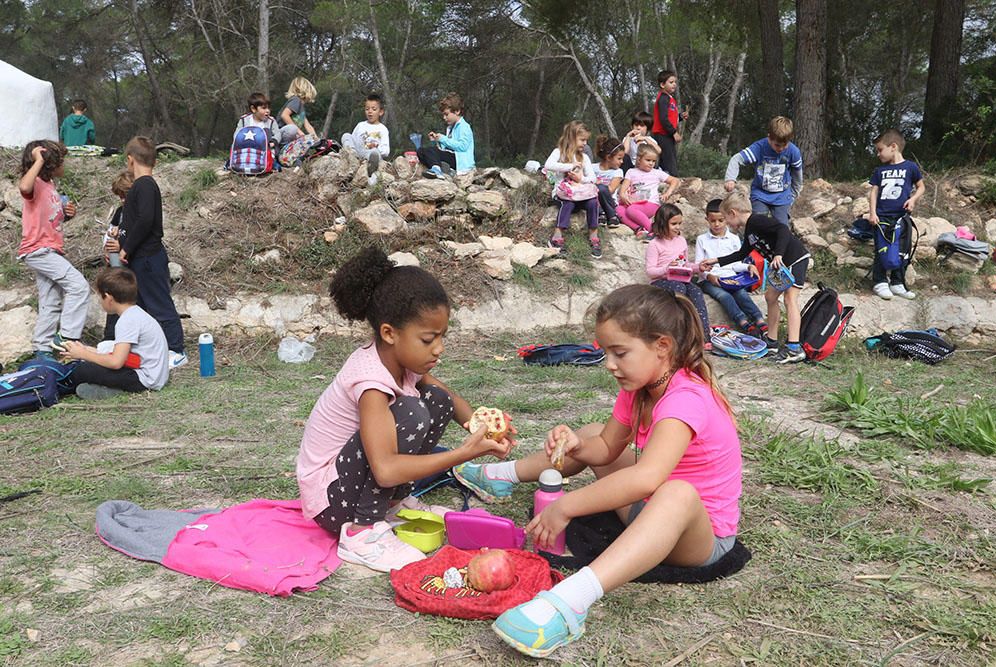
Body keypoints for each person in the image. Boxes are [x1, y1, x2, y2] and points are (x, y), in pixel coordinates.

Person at [452, 284, 741, 658]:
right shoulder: (638, 387)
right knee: (589, 434)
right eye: (606, 352)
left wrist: (566, 506)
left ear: (662, 347)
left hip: (698, 536)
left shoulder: (686, 399)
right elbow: (605, 448)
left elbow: (647, 478)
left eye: (620, 352)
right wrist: (577, 445)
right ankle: (499, 477)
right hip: (650, 509)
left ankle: (570, 601)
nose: (609, 363)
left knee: (677, 492)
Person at [297, 247, 515, 573]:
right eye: (428, 339)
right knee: (413, 414)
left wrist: (481, 426)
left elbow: (450, 400)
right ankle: (362, 533)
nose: (439, 348)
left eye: (442, 336)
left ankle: (391, 506)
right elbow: (384, 470)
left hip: (352, 486)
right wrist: (464, 453)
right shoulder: (370, 381)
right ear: (389, 333)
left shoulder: (402, 360)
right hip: (331, 502)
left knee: (437, 401)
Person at [104, 136, 187, 369]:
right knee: (136, 305)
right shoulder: (140, 187)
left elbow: (146, 220)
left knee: (159, 304)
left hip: (149, 258)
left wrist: (126, 248)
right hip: (139, 260)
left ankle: (176, 349)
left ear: (130, 160)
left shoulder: (145, 185)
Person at [701, 191, 809, 364]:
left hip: (794, 259)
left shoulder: (757, 221)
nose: (726, 223)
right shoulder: (749, 229)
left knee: (790, 299)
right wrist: (716, 261)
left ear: (733, 213)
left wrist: (778, 255)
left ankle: (794, 348)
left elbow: (783, 230)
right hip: (781, 265)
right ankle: (772, 341)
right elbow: (742, 253)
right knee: (770, 296)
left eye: (726, 219)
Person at [17, 140, 90, 356]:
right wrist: (38, 160)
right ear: (50, 163)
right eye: (61, 160)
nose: (64, 164)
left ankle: (42, 349)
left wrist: (66, 214)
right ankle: (66, 337)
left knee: (50, 301)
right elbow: (24, 187)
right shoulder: (35, 182)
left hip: (49, 249)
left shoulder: (49, 186)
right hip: (38, 249)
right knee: (79, 287)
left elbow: (47, 218)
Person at [61, 268, 169, 400]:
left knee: (82, 370)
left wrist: (83, 355)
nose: (100, 300)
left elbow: (116, 362)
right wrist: (87, 350)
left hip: (145, 379)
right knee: (104, 347)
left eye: (100, 296)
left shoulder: (127, 321)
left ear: (109, 298)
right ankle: (105, 388)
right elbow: (122, 354)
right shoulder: (136, 313)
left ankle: (112, 390)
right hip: (152, 374)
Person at [695, 199, 767, 337]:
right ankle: (744, 323)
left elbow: (736, 263)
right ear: (707, 220)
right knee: (724, 296)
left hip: (731, 278)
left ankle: (759, 320)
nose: (717, 224)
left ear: (727, 218)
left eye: (721, 220)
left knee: (741, 294)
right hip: (710, 280)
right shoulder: (702, 239)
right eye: (713, 221)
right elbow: (699, 265)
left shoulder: (733, 238)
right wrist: (709, 276)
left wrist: (748, 266)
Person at [868, 129, 924, 300]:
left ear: (893, 147)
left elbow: (921, 187)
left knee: (902, 251)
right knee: (881, 249)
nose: (878, 154)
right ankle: (879, 282)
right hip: (882, 218)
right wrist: (872, 213)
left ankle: (897, 283)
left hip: (902, 217)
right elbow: (873, 193)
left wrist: (913, 199)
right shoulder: (879, 171)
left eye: (880, 149)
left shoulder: (911, 167)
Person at [645, 204, 711, 342]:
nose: (678, 227)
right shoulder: (655, 244)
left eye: (679, 223)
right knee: (679, 289)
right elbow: (650, 271)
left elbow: (685, 264)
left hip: (681, 279)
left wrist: (699, 267)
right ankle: (680, 333)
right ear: (662, 223)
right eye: (674, 224)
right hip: (661, 281)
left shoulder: (681, 241)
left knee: (696, 291)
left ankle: (704, 337)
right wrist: (667, 268)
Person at [723, 116, 803, 227]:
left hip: (782, 196)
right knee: (757, 223)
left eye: (785, 145)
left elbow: (797, 174)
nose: (781, 149)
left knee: (782, 228)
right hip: (760, 194)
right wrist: (730, 178)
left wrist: (794, 193)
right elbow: (736, 159)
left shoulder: (793, 151)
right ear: (769, 138)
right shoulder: (760, 147)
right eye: (777, 145)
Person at [544, 120, 602, 258]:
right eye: (582, 140)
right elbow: (548, 165)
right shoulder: (559, 152)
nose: (585, 143)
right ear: (571, 137)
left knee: (593, 202)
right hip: (563, 193)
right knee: (567, 203)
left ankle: (594, 235)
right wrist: (570, 166)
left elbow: (593, 178)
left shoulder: (585, 158)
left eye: (586, 140)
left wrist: (580, 179)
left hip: (581, 194)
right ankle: (557, 236)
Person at [615, 144, 679, 238]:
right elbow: (623, 190)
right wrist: (623, 195)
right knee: (618, 209)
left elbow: (675, 180)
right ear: (639, 159)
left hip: (651, 204)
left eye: (653, 161)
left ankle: (652, 229)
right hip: (634, 203)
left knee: (631, 210)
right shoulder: (631, 172)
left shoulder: (656, 173)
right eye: (648, 160)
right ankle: (638, 229)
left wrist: (667, 193)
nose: (651, 163)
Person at [102, 171, 134, 340]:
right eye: (120, 196)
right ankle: (110, 336)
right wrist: (108, 246)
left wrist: (122, 244)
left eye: (125, 195)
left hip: (132, 265)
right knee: (114, 296)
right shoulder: (120, 212)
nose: (122, 200)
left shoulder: (139, 213)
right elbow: (109, 233)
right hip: (116, 266)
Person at [418, 92, 474, 179]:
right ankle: (441, 168)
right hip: (451, 157)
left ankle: (437, 170)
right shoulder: (451, 128)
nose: (444, 118)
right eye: (443, 115)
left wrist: (443, 139)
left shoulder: (464, 126)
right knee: (421, 151)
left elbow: (462, 146)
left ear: (457, 111)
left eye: (446, 114)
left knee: (432, 150)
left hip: (459, 160)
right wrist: (437, 140)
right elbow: (446, 148)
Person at [341, 93, 391, 177]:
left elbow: (386, 151)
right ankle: (352, 157)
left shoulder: (383, 129)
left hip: (371, 153)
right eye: (367, 109)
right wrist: (352, 149)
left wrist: (375, 147)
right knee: (346, 135)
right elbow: (353, 140)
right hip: (358, 152)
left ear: (381, 112)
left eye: (374, 109)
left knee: (375, 154)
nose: (370, 111)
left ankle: (371, 167)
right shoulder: (360, 125)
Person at [651, 70, 686, 176]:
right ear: (662, 84)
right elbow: (663, 119)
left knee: (670, 158)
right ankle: (672, 179)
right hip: (663, 134)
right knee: (669, 160)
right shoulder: (663, 98)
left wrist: (680, 117)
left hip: (667, 134)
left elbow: (671, 117)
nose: (674, 84)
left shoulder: (670, 99)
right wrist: (674, 132)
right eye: (671, 82)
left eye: (675, 82)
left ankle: (668, 178)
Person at [592, 136, 624, 228]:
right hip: (594, 199)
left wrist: (596, 184)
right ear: (609, 157)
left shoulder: (618, 172)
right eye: (619, 158)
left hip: (609, 202)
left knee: (601, 189)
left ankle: (612, 215)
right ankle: (600, 214)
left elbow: (611, 190)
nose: (622, 161)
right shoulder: (592, 168)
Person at [276, 77, 318, 145]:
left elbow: (308, 126)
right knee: (293, 130)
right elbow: (284, 115)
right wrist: (300, 132)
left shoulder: (301, 108)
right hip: (281, 134)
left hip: (290, 135)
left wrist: (317, 140)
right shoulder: (296, 100)